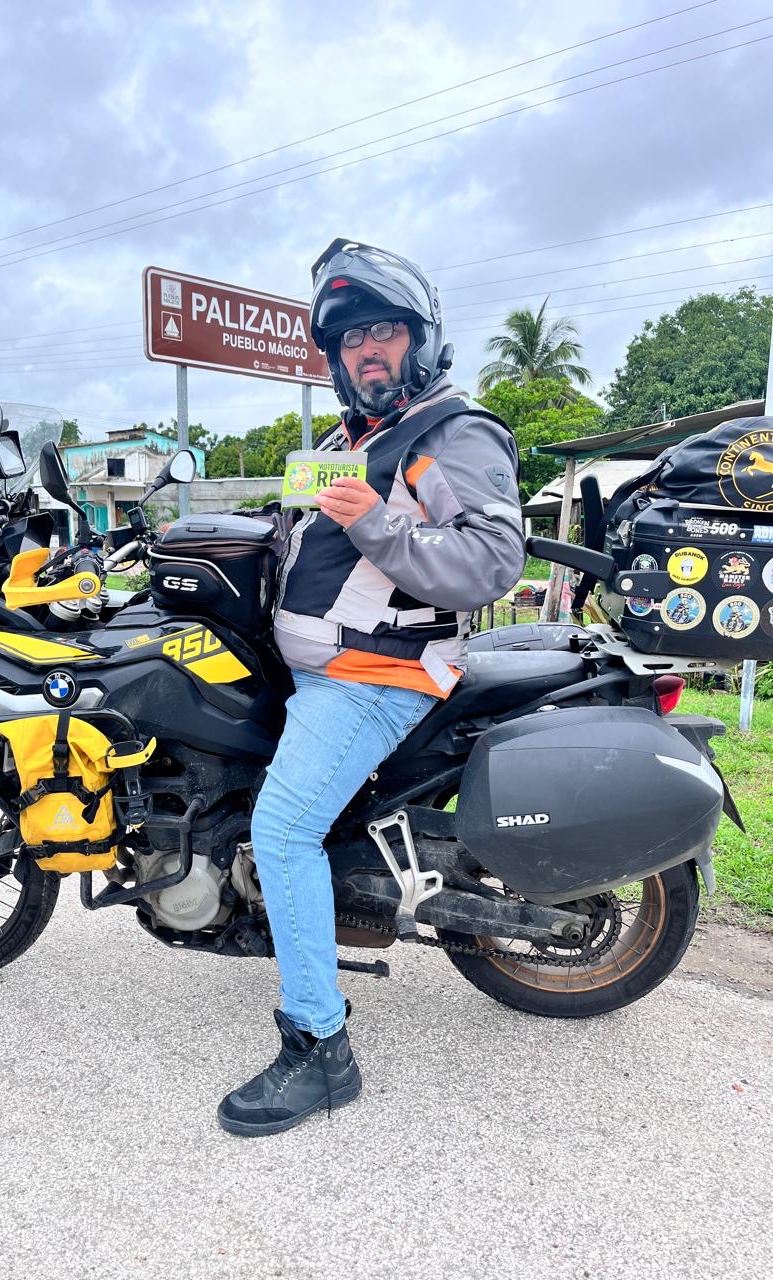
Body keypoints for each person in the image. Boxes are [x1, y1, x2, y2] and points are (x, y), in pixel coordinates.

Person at [217, 239, 526, 1137]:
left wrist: (382, 524)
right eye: (350, 339)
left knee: (283, 830)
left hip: (375, 677)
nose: (367, 351)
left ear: (420, 340)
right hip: (318, 667)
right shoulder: (348, 441)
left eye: (384, 331)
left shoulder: (447, 436)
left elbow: (492, 560)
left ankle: (320, 1049)